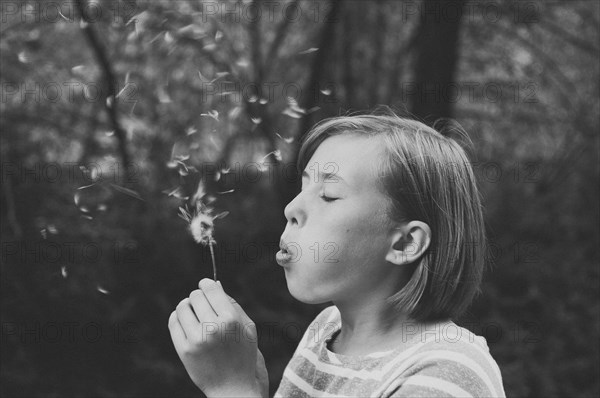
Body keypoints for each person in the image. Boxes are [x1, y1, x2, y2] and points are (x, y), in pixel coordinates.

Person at [168, 109, 506, 397]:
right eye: (302, 189)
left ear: (405, 243)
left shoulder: (446, 372)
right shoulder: (326, 330)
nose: (291, 208)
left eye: (328, 194)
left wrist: (231, 388)